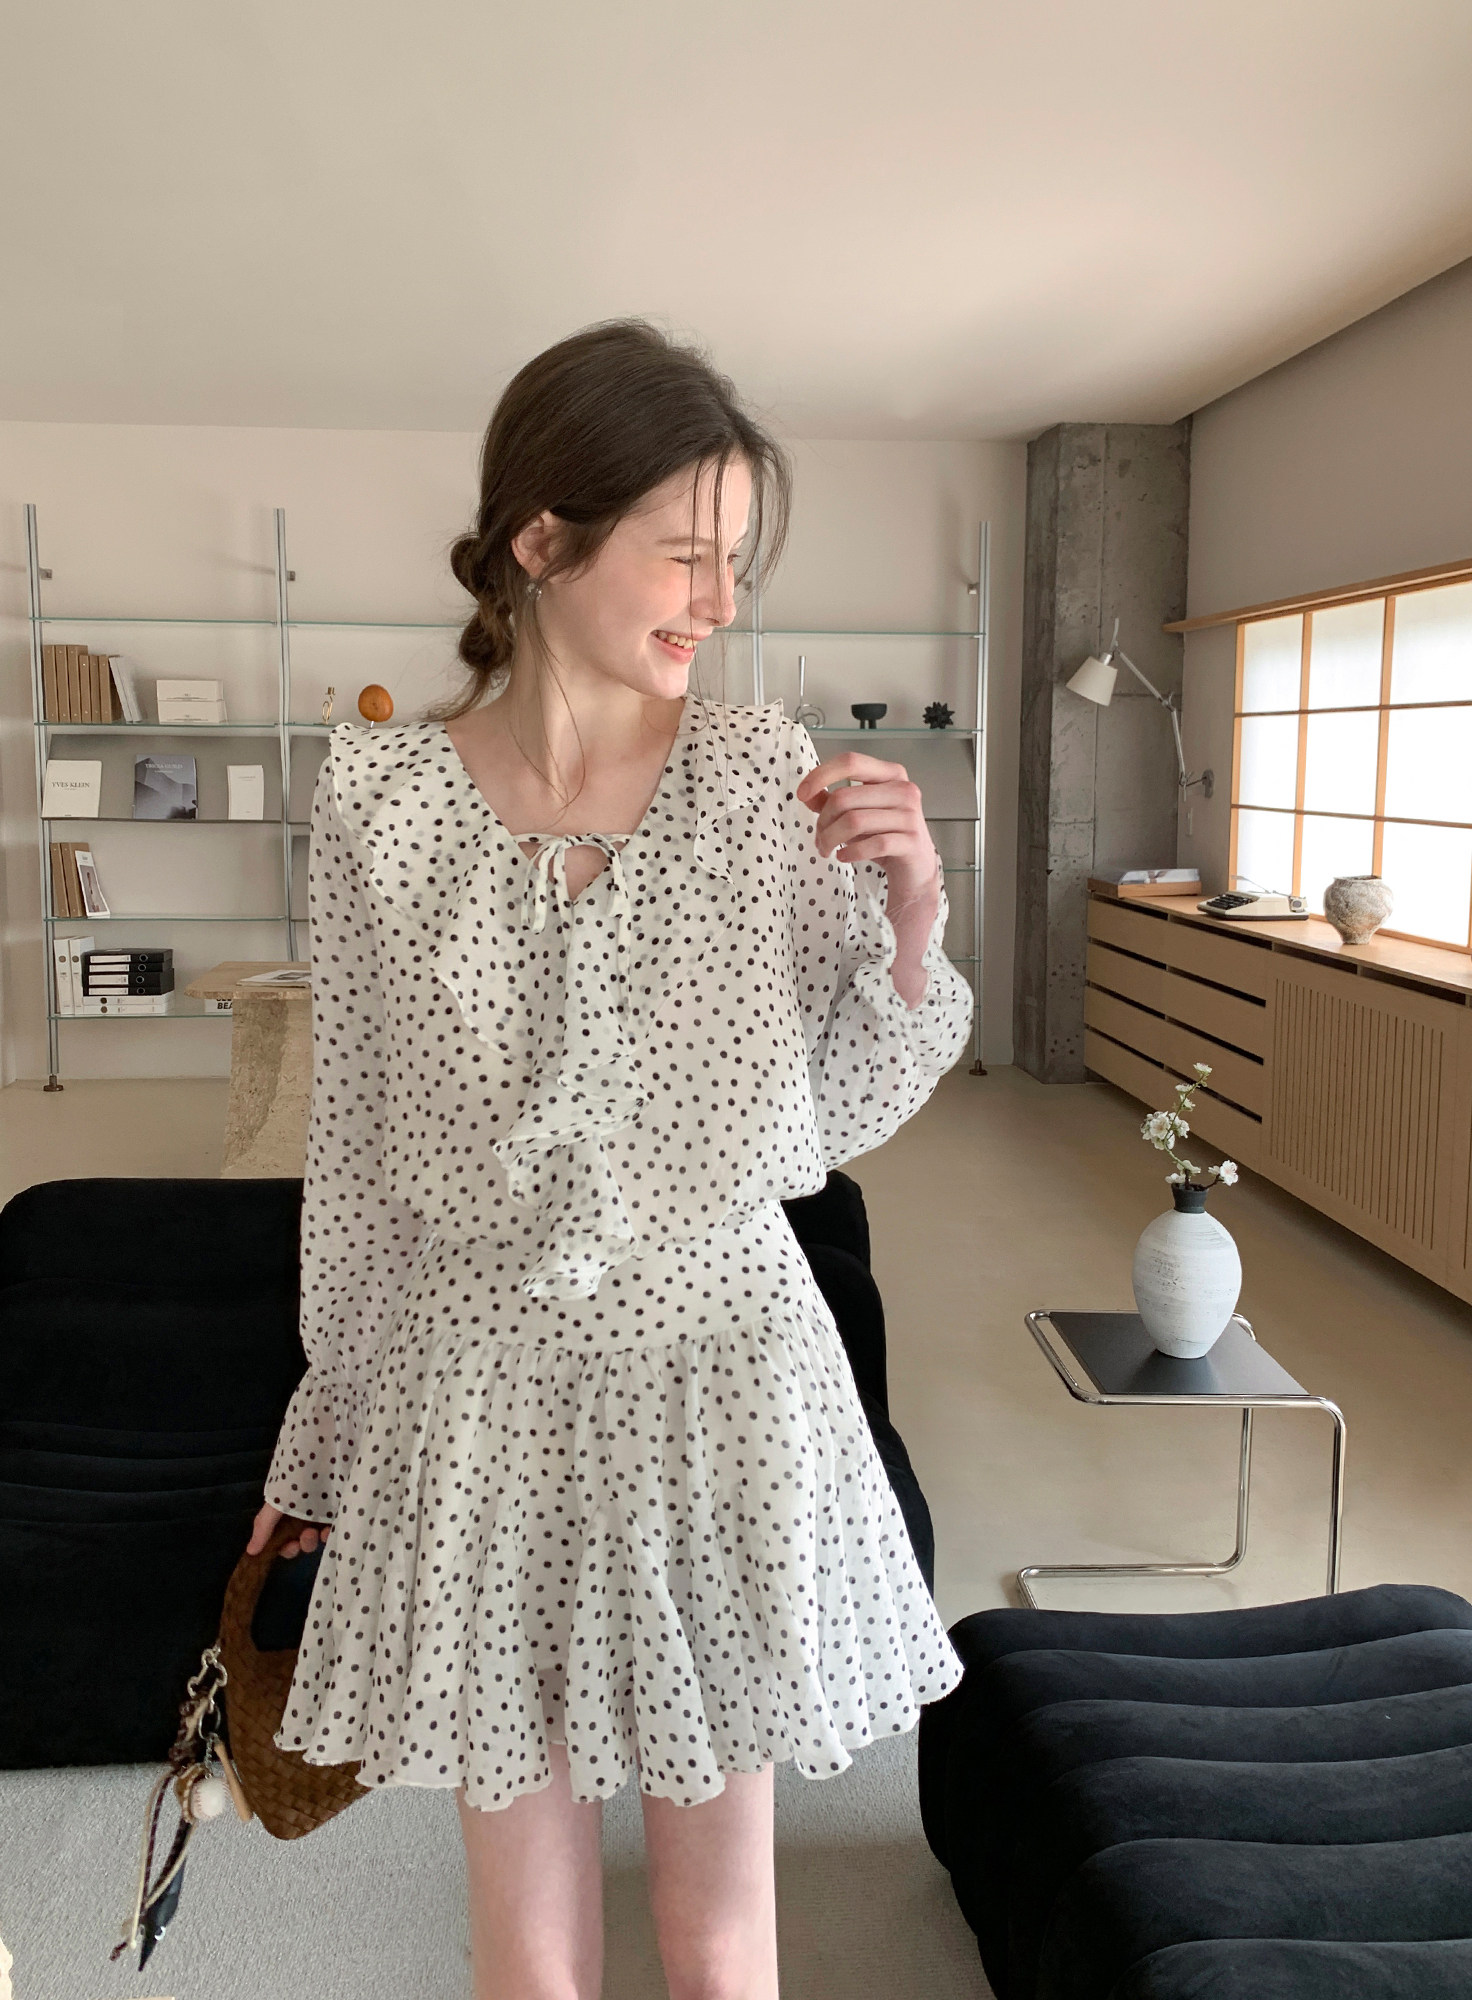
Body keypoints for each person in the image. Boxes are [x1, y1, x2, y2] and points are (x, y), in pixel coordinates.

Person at [246, 318, 974, 2000]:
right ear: (542, 539)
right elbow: (355, 1149)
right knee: (528, 1946)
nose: (719, 602)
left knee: (720, 1939)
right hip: (477, 1388)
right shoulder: (377, 803)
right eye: (686, 555)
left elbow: (833, 1116)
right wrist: (327, 1426)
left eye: (737, 564)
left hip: (725, 1373)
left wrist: (915, 914)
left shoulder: (758, 774)